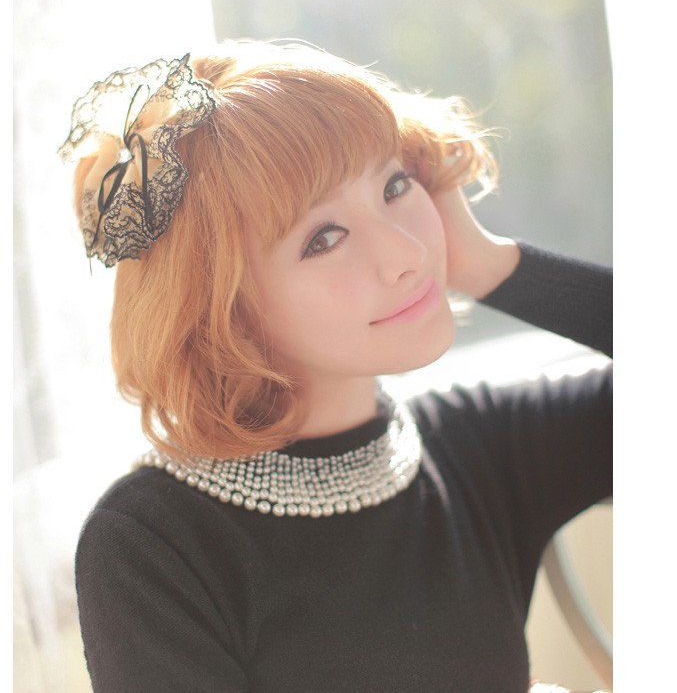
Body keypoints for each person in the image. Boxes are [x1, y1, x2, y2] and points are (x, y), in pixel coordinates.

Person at [61, 41, 612, 692]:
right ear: (224, 309)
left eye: (394, 185)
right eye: (323, 238)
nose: (406, 253)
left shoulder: (480, 448)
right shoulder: (153, 544)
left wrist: (491, 265)